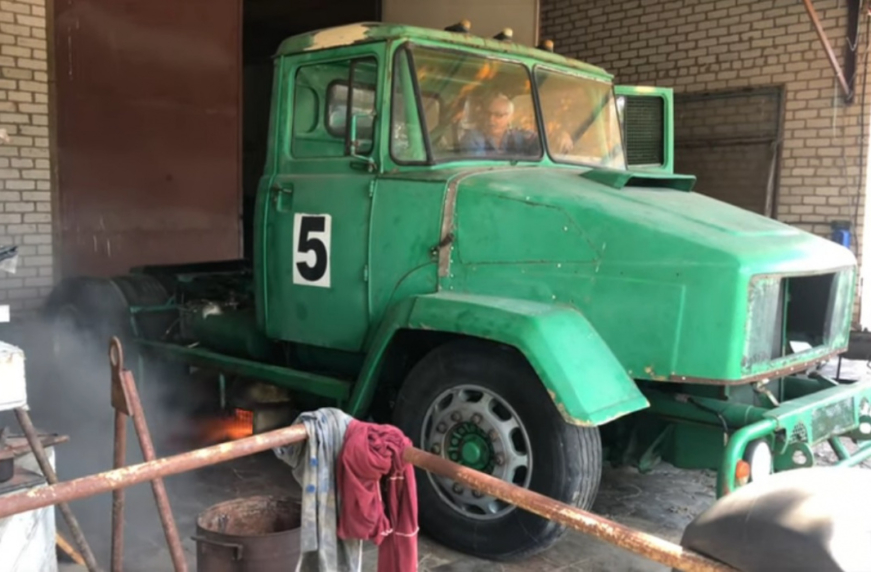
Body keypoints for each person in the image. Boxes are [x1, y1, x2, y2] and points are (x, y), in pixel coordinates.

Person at [459, 93, 541, 156]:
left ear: (510, 117)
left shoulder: (518, 136)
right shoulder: (473, 138)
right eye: (488, 114)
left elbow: (540, 144)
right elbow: (477, 166)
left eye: (498, 115)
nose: (491, 119)